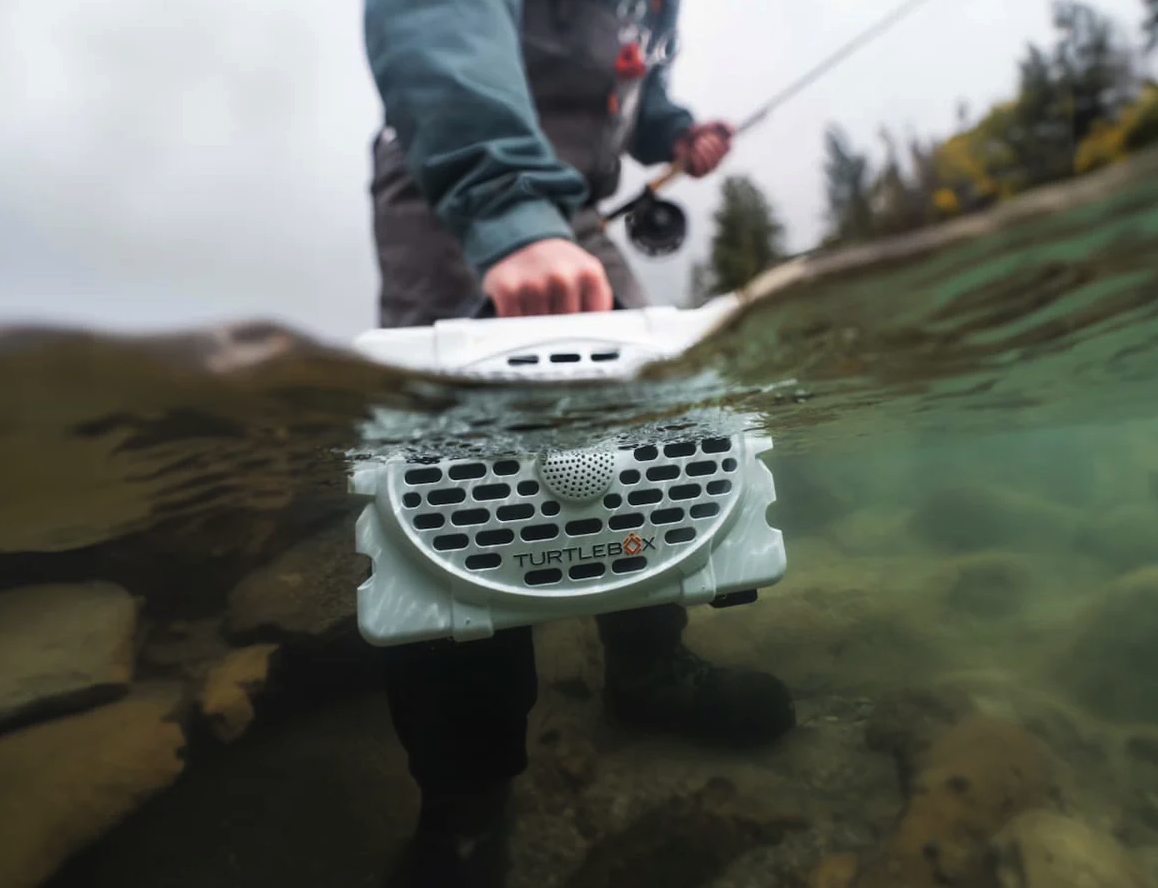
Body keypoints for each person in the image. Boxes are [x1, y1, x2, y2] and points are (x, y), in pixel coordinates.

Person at [362, 1, 797, 885]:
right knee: (454, 475)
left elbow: (638, 89)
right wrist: (504, 206)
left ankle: (647, 669)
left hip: (580, 213)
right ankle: (466, 802)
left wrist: (678, 133)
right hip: (461, 185)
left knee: (650, 429)